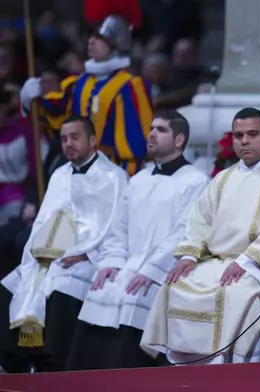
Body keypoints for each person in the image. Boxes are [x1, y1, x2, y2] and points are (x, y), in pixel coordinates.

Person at [141, 107, 260, 365]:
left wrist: (244, 262)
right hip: (216, 262)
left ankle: (227, 366)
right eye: (238, 135)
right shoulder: (223, 178)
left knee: (236, 294)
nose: (245, 141)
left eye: (252, 134)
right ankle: (181, 365)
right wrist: (188, 255)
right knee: (174, 283)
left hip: (257, 267)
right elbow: (199, 220)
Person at [64, 110, 207, 371]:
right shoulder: (139, 179)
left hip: (163, 270)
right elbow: (119, 227)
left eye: (161, 130)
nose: (151, 134)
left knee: (134, 297)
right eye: (151, 128)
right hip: (130, 263)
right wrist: (112, 262)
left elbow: (185, 232)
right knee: (101, 288)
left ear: (179, 140)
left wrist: (151, 271)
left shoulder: (196, 181)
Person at [0, 115, 127, 372]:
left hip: (88, 257)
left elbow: (117, 227)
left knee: (62, 284)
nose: (68, 143)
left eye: (75, 137)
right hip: (51, 253)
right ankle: (16, 361)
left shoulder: (114, 177)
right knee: (12, 284)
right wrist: (39, 254)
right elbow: (44, 220)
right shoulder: (59, 174)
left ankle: (52, 363)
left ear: (93, 140)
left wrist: (87, 255)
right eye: (64, 138)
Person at [19, 7, 153, 177]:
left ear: (117, 43)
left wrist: (127, 178)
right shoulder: (78, 83)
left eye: (100, 38)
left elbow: (135, 142)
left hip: (113, 173)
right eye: (91, 36)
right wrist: (32, 99)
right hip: (78, 169)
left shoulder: (130, 86)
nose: (91, 41)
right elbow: (60, 118)